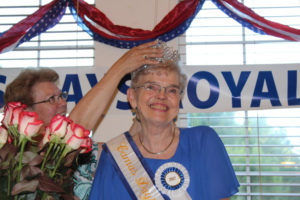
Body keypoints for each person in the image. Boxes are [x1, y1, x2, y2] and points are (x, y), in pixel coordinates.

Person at [3, 40, 163, 199]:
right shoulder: (10, 162)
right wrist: (121, 68)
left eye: (62, 96)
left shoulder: (86, 153)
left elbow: (130, 150)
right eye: (52, 99)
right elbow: (78, 125)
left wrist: (147, 108)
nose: (63, 103)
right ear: (25, 112)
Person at [89, 42, 240, 200]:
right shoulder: (113, 156)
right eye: (151, 87)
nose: (162, 95)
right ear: (132, 97)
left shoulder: (203, 141)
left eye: (172, 90)